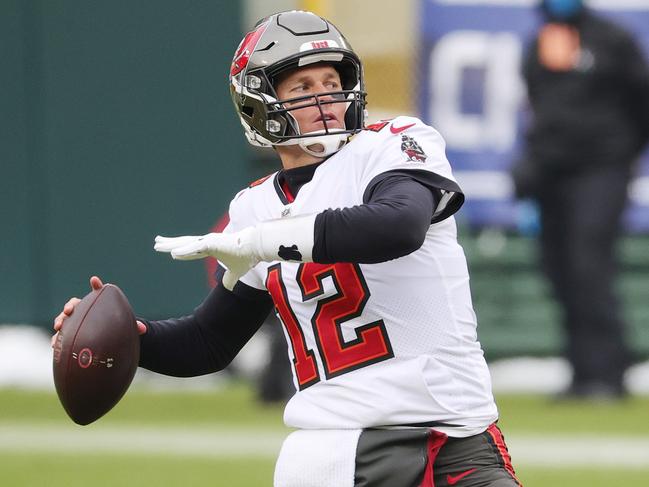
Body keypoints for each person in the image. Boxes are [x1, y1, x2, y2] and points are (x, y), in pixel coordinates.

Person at [54, 10, 521, 486]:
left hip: (455, 436)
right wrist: (125, 338)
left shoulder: (391, 145)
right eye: (303, 88)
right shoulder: (255, 206)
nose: (326, 99)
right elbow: (209, 343)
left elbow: (399, 227)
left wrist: (263, 242)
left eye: (332, 80)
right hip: (335, 451)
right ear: (260, 105)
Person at [512, 0, 649, 399]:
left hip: (601, 169)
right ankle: (581, 373)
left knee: (589, 264)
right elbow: (540, 109)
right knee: (560, 268)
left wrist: (620, 152)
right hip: (552, 171)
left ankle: (607, 374)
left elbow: (641, 100)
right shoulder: (540, 42)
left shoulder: (612, 38)